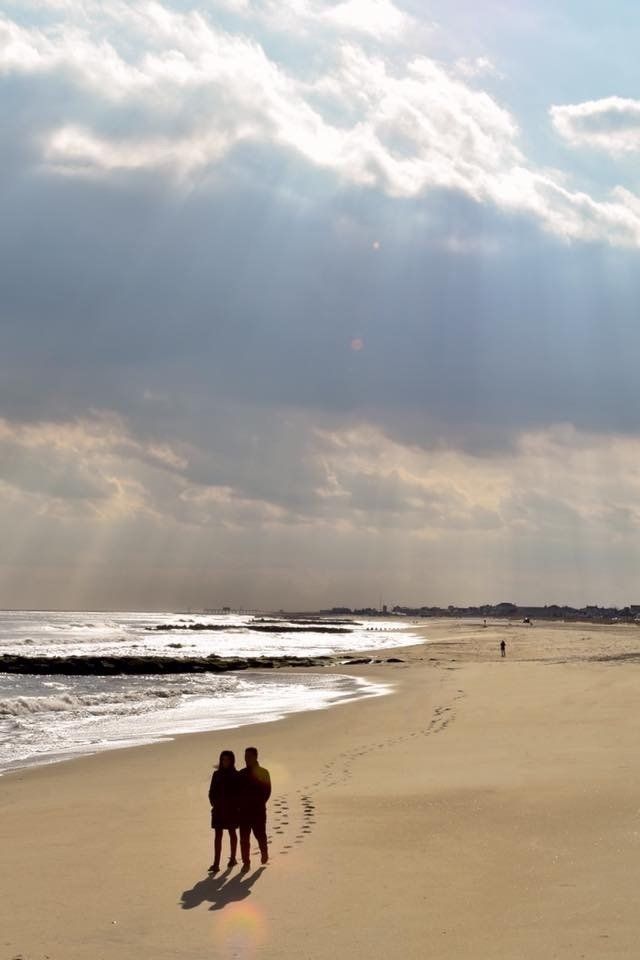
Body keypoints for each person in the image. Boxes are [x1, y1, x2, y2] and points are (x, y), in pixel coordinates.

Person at [238, 746, 271, 870]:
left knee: (260, 834)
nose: (246, 759)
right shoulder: (241, 773)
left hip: (258, 811)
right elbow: (235, 792)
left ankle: (264, 852)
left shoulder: (263, 772)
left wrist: (259, 804)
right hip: (243, 812)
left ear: (255, 757)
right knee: (244, 838)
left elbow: (267, 791)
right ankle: (246, 863)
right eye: (245, 756)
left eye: (249, 756)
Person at [208, 750, 240, 874]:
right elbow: (211, 792)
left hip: (231, 809)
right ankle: (216, 864)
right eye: (223, 759)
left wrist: (237, 806)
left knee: (232, 833)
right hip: (218, 809)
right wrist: (213, 802)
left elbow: (239, 793)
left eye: (227, 759)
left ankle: (233, 858)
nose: (225, 762)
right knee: (218, 836)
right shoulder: (216, 774)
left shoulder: (236, 775)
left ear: (232, 761)